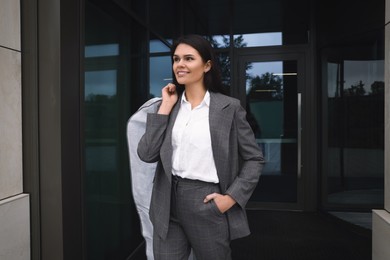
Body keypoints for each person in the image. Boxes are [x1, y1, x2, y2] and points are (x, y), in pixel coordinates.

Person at [137, 34, 265, 260]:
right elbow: (146, 154)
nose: (180, 65)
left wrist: (230, 198)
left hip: (206, 201)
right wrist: (165, 107)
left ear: (207, 65)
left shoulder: (229, 108)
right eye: (176, 59)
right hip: (167, 202)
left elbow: (254, 159)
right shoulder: (168, 106)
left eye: (188, 58)